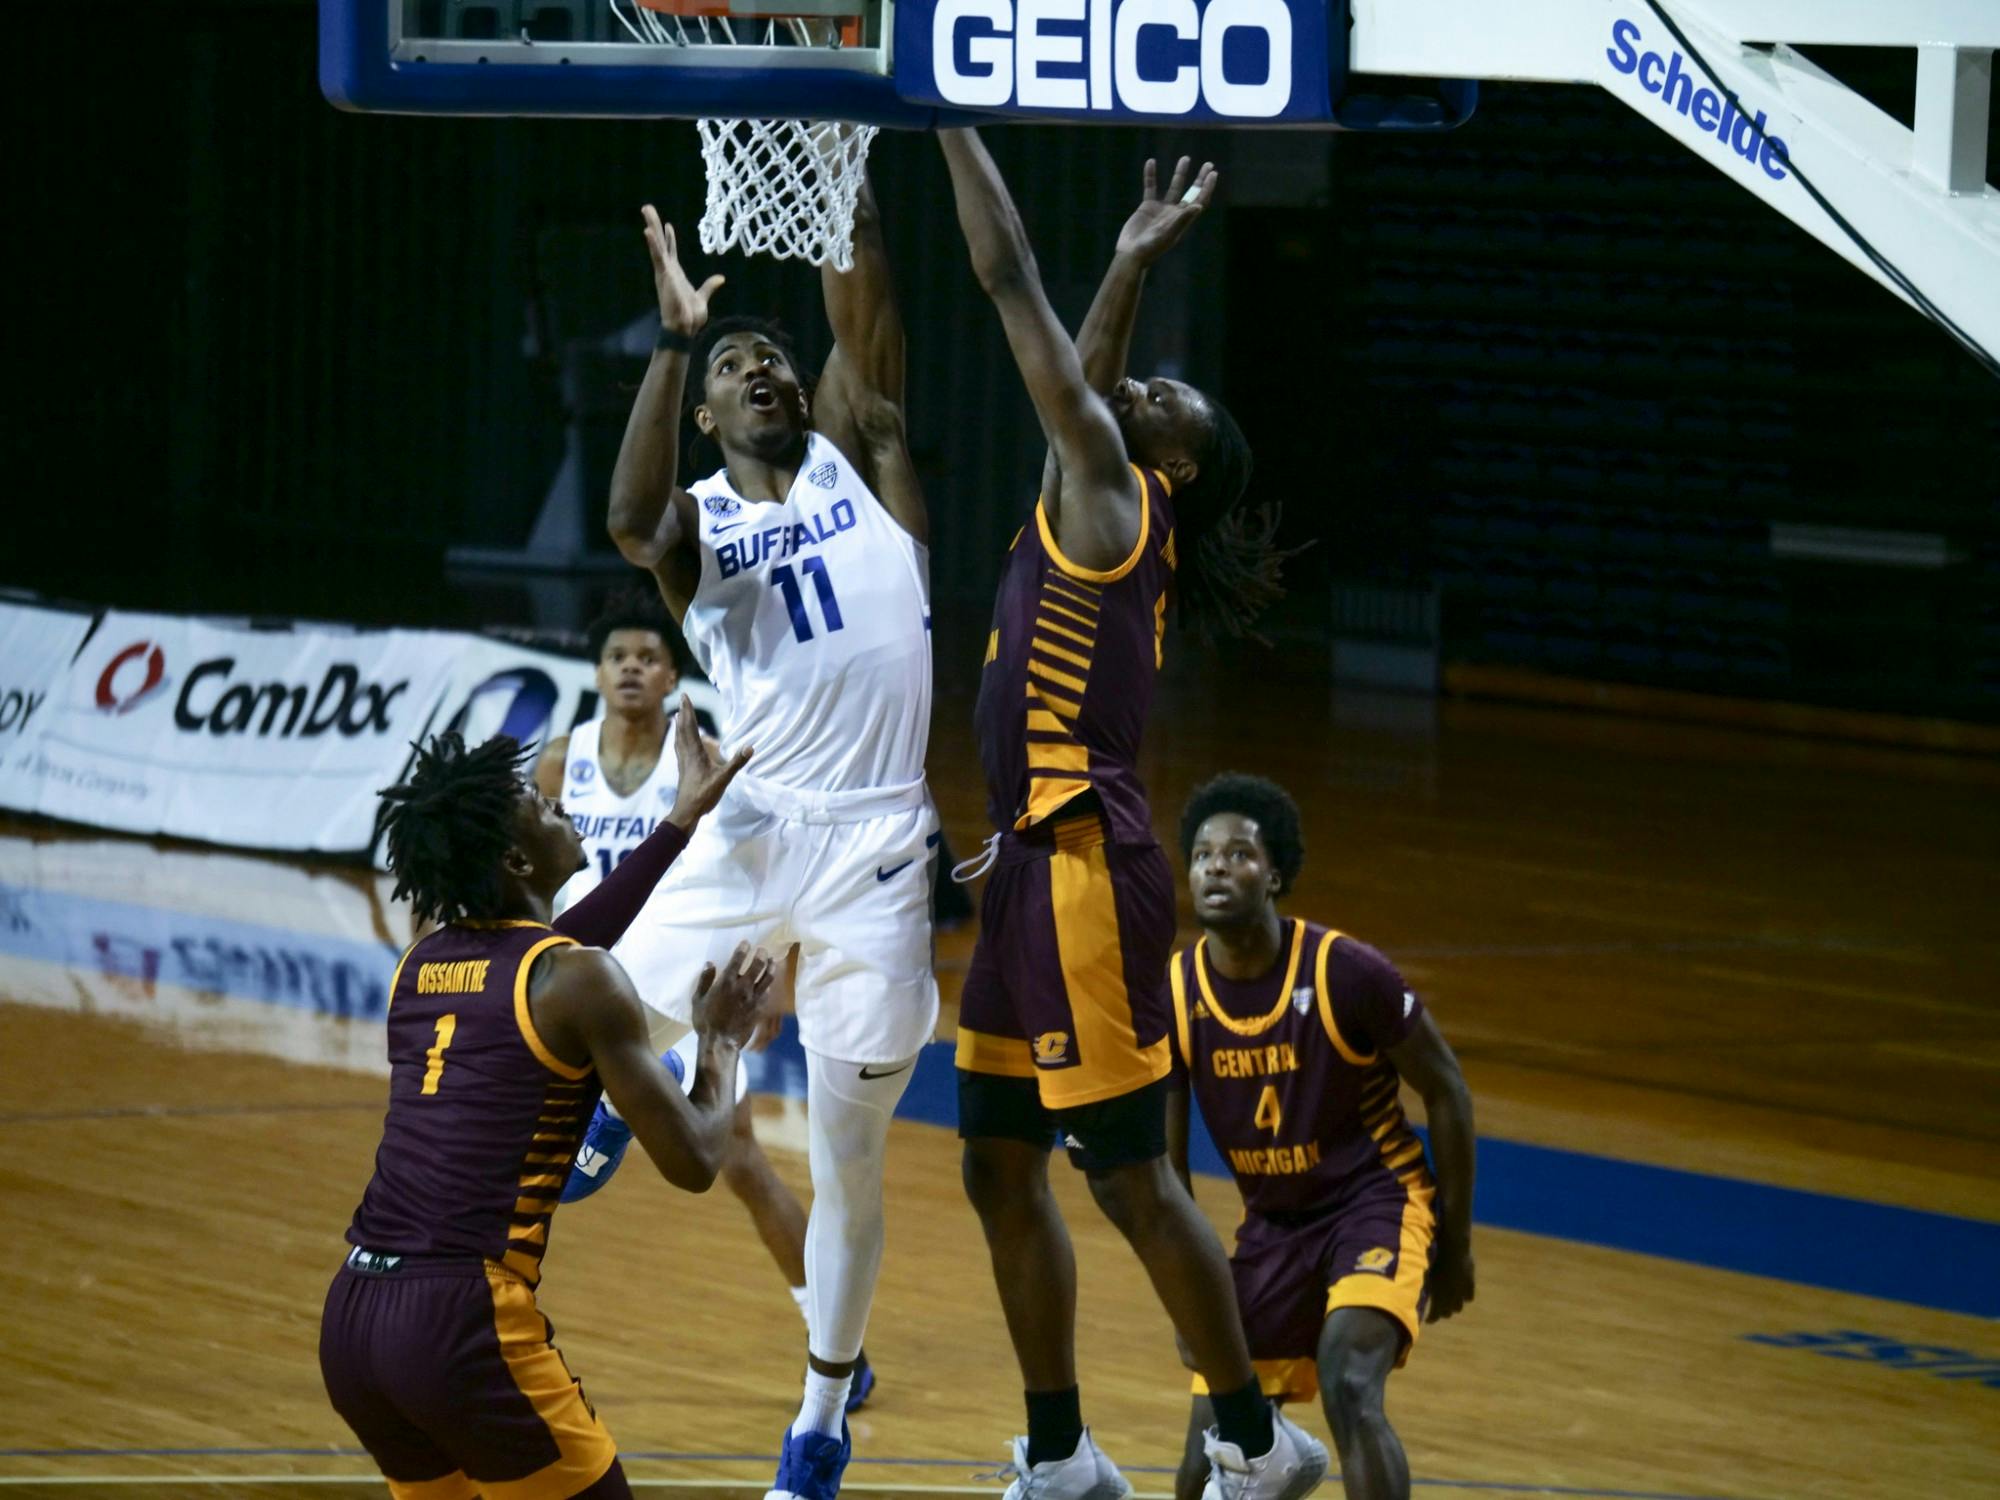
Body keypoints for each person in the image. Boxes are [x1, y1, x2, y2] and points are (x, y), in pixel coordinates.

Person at [937, 130, 1316, 1500]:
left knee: (1129, 1181)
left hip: (1092, 875)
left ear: (1175, 461)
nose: (1149, 389)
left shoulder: (1111, 496)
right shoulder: (1092, 483)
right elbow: (1086, 372)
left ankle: (1256, 1440)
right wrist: (1129, 268)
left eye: (1173, 403)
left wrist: (943, 111)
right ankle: (1061, 1458)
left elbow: (1004, 279)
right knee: (994, 1160)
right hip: (1032, 866)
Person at [590, 160, 935, 1500]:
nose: (762, 369)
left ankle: (822, 1410)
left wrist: (849, 158)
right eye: (735, 361)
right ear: (708, 405)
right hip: (748, 828)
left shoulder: (871, 458)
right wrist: (679, 338)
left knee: (847, 1156)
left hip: (876, 851)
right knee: (585, 992)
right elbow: (629, 521)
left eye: (771, 355)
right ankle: (608, 1116)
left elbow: (865, 317)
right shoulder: (702, 533)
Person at [320, 706, 776, 1500]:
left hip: (354, 1316)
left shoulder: (420, 964)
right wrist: (721, 1041)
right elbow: (699, 1160)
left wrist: (677, 821)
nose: (557, 803)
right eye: (537, 804)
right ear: (511, 854)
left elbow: (550, 942)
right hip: (458, 1319)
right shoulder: (579, 981)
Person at [535, 589, 875, 1408]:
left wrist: (772, 991)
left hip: (680, 987)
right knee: (536, 1159)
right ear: (597, 670)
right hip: (578, 991)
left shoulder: (705, 758)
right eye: (618, 656)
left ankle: (832, 1341)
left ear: (671, 675)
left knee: (739, 1160)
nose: (631, 669)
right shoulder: (557, 760)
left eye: (648, 657)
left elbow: (761, 881)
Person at [1167, 774, 1476, 1500]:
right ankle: (1282, 1458)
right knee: (1203, 1454)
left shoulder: (1345, 972)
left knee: (1349, 1384)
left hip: (1375, 1201)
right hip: (1272, 1229)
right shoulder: (1176, 995)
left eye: (1239, 853)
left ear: (1275, 874)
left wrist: (1455, 1244)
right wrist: (1189, 1301)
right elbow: (1163, 1171)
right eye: (1203, 853)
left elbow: (1448, 1091)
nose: (1216, 865)